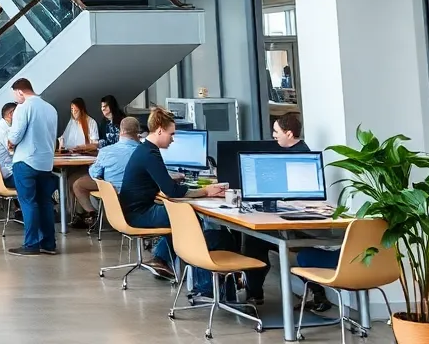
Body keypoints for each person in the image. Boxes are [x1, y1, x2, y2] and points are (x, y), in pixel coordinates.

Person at [118, 107, 232, 290]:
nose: (173, 139)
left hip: (134, 210)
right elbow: (172, 192)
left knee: (180, 215)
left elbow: (164, 185)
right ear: (160, 130)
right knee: (188, 218)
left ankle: (161, 258)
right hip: (139, 214)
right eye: (171, 134)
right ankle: (202, 283)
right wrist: (206, 191)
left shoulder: (145, 150)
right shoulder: (150, 154)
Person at [243, 112, 327, 307]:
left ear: (289, 134)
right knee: (257, 239)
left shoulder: (298, 156)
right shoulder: (297, 151)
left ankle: (254, 294)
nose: (273, 135)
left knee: (255, 240)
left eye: (276, 131)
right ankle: (317, 293)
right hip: (289, 216)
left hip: (296, 220)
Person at [5, 78, 59, 256]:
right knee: (45, 203)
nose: (16, 99)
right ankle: (49, 244)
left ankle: (31, 244)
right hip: (45, 163)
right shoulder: (51, 109)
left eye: (15, 95)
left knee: (28, 203)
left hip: (26, 162)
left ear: (20, 91)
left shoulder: (24, 107)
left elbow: (16, 134)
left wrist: (10, 142)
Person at [71, 116, 141, 230]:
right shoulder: (144, 152)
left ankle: (92, 213)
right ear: (138, 133)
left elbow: (94, 174)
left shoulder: (106, 151)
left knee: (78, 184)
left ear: (121, 131)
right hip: (136, 194)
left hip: (111, 191)